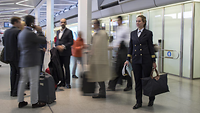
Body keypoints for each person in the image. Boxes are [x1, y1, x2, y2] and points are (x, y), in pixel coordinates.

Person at [124, 15, 157, 109]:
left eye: (139, 21)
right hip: (136, 60)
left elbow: (151, 47)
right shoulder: (133, 33)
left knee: (146, 81)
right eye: (136, 21)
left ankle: (151, 97)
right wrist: (127, 59)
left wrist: (153, 60)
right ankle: (138, 102)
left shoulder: (148, 33)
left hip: (146, 60)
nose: (137, 23)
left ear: (144, 22)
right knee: (137, 81)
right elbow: (131, 47)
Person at [17, 15, 47, 108]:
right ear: (32, 23)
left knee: (22, 81)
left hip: (23, 61)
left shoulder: (21, 33)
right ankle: (34, 102)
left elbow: (19, 47)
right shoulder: (31, 33)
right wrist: (40, 31)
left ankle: (21, 101)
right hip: (33, 62)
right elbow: (42, 40)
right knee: (34, 82)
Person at [108, 16, 132, 91]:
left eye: (118, 20)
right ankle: (112, 85)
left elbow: (128, 39)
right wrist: (112, 46)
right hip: (120, 50)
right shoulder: (118, 29)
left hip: (125, 50)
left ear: (121, 20)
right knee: (118, 68)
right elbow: (117, 40)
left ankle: (128, 85)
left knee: (124, 68)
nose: (117, 22)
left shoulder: (125, 29)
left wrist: (122, 44)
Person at [88, 19, 111, 98]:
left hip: (100, 59)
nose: (92, 25)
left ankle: (102, 92)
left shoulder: (103, 34)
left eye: (93, 24)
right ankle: (99, 91)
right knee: (97, 75)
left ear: (97, 24)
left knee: (100, 76)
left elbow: (102, 46)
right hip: (95, 58)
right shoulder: (95, 34)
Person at [3, 16, 22, 97]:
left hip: (9, 56)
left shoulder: (6, 32)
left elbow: (4, 43)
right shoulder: (18, 32)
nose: (20, 24)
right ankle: (16, 91)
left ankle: (13, 90)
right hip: (17, 56)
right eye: (19, 22)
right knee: (19, 73)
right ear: (15, 22)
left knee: (13, 72)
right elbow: (21, 44)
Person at [56, 18, 73, 88]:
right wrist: (57, 46)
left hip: (66, 53)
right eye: (61, 22)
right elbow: (57, 41)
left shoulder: (69, 32)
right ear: (60, 23)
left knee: (66, 68)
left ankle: (68, 83)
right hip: (59, 53)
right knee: (60, 68)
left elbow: (71, 42)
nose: (62, 23)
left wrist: (63, 46)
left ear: (66, 23)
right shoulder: (57, 32)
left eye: (64, 22)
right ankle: (62, 81)